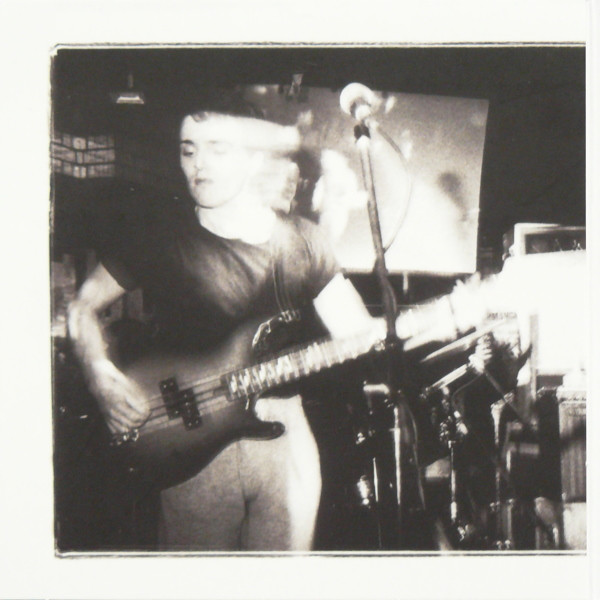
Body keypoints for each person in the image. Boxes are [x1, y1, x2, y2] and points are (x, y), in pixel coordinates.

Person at [67, 104, 379, 551]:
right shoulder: (160, 235)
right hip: (187, 444)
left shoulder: (305, 240)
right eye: (188, 150)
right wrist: (99, 374)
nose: (199, 164)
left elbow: (358, 332)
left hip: (283, 439)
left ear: (254, 158)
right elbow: (83, 305)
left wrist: (439, 319)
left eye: (217, 149)